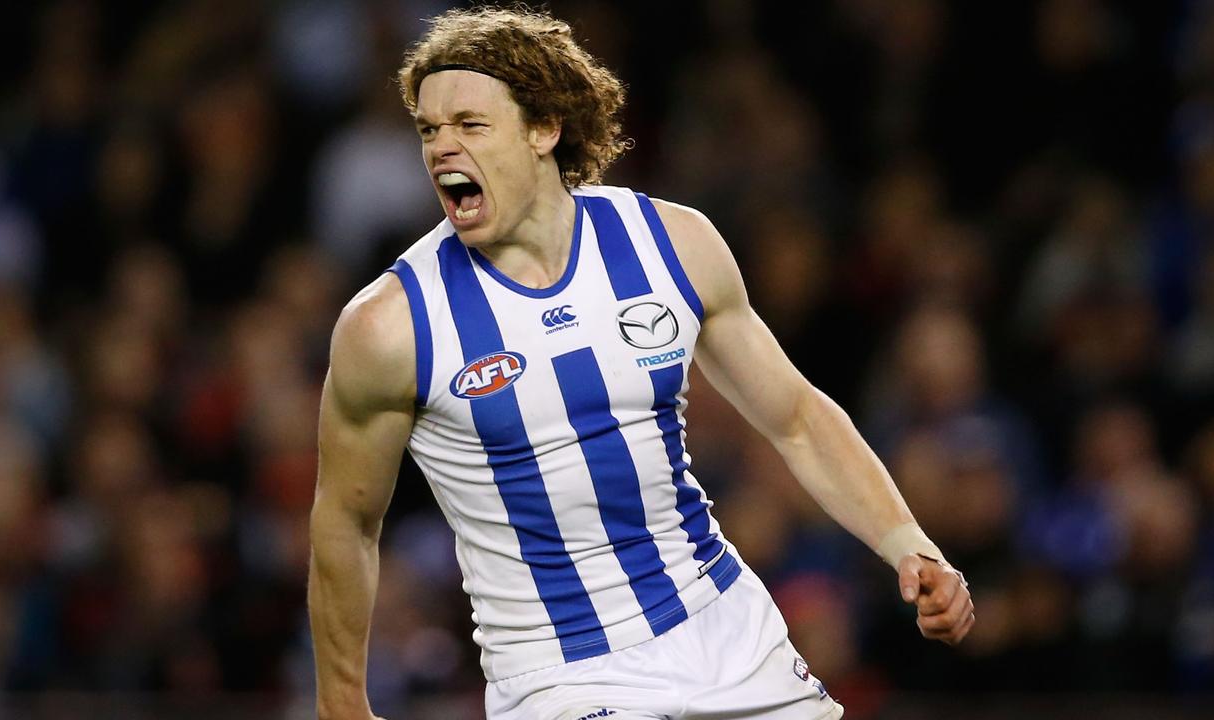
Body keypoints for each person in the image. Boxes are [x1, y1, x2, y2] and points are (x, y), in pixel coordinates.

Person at [308, 7, 973, 720]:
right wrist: (341, 702)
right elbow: (348, 525)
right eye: (429, 131)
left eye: (470, 125)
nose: (443, 148)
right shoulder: (390, 325)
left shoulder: (670, 245)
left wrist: (909, 545)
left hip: (728, 634)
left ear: (543, 128)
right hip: (562, 676)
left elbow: (799, 418)